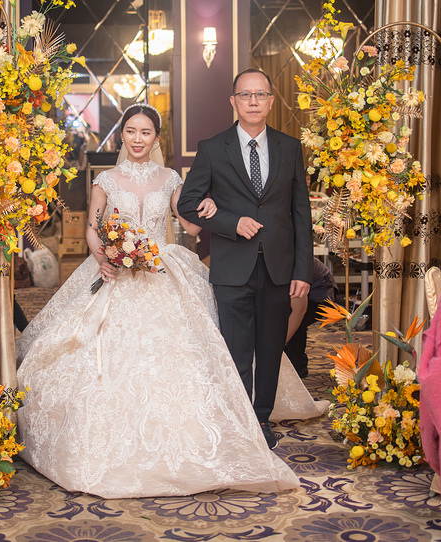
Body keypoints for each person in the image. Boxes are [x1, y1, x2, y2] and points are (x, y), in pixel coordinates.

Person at [16, 103, 299, 498]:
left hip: (161, 265)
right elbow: (93, 227)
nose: (137, 139)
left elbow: (188, 222)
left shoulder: (170, 177)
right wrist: (104, 257)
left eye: (145, 132)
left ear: (155, 138)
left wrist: (210, 208)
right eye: (131, 131)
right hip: (115, 267)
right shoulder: (106, 179)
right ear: (122, 135)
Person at [178, 68, 313, 448]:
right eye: (245, 95)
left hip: (278, 268)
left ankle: (261, 419)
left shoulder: (289, 147)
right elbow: (188, 203)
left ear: (271, 100)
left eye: (261, 95)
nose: (253, 102)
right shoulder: (212, 147)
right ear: (233, 101)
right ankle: (239, 422)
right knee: (236, 351)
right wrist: (230, 222)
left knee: (270, 351)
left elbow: (300, 214)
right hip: (231, 268)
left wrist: (302, 269)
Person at [284, 257, 337, 378]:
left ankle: (297, 368)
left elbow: (299, 311)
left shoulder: (288, 263)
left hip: (321, 294)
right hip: (299, 294)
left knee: (292, 324)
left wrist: (280, 343)